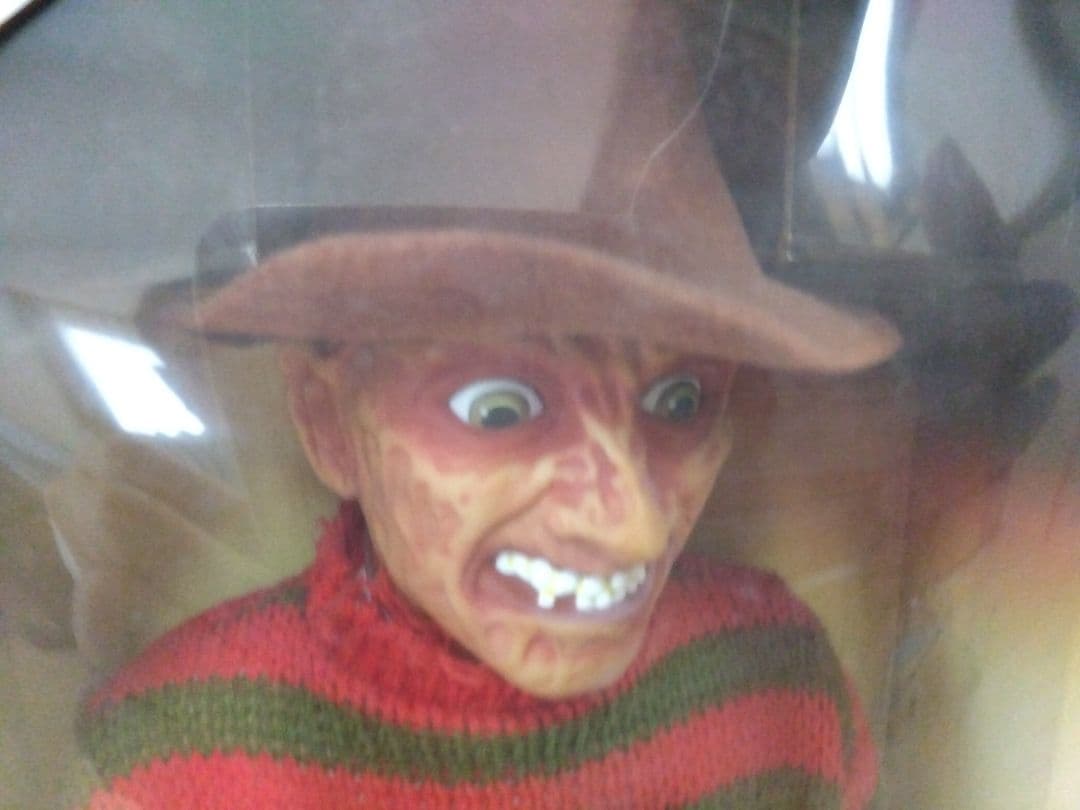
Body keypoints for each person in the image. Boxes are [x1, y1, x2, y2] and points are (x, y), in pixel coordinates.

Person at [76, 2, 899, 807]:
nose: (636, 528)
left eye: (679, 402)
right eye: (499, 410)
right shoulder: (177, 764)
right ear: (329, 423)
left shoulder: (782, 689)